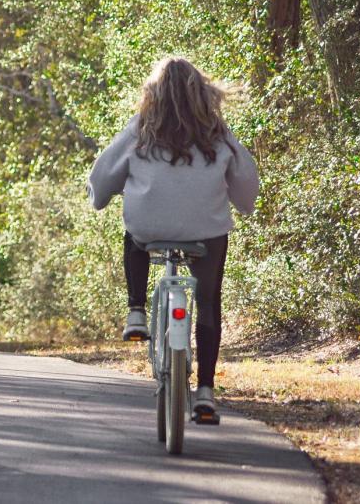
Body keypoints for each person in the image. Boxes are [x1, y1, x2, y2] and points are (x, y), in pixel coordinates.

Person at [87, 57, 259, 419]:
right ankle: (206, 391)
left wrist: (100, 198)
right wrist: (244, 204)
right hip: (206, 232)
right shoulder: (216, 132)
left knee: (134, 234)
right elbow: (246, 184)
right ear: (203, 92)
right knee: (208, 301)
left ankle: (136, 311)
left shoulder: (141, 128)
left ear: (154, 92)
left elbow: (102, 178)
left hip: (149, 229)